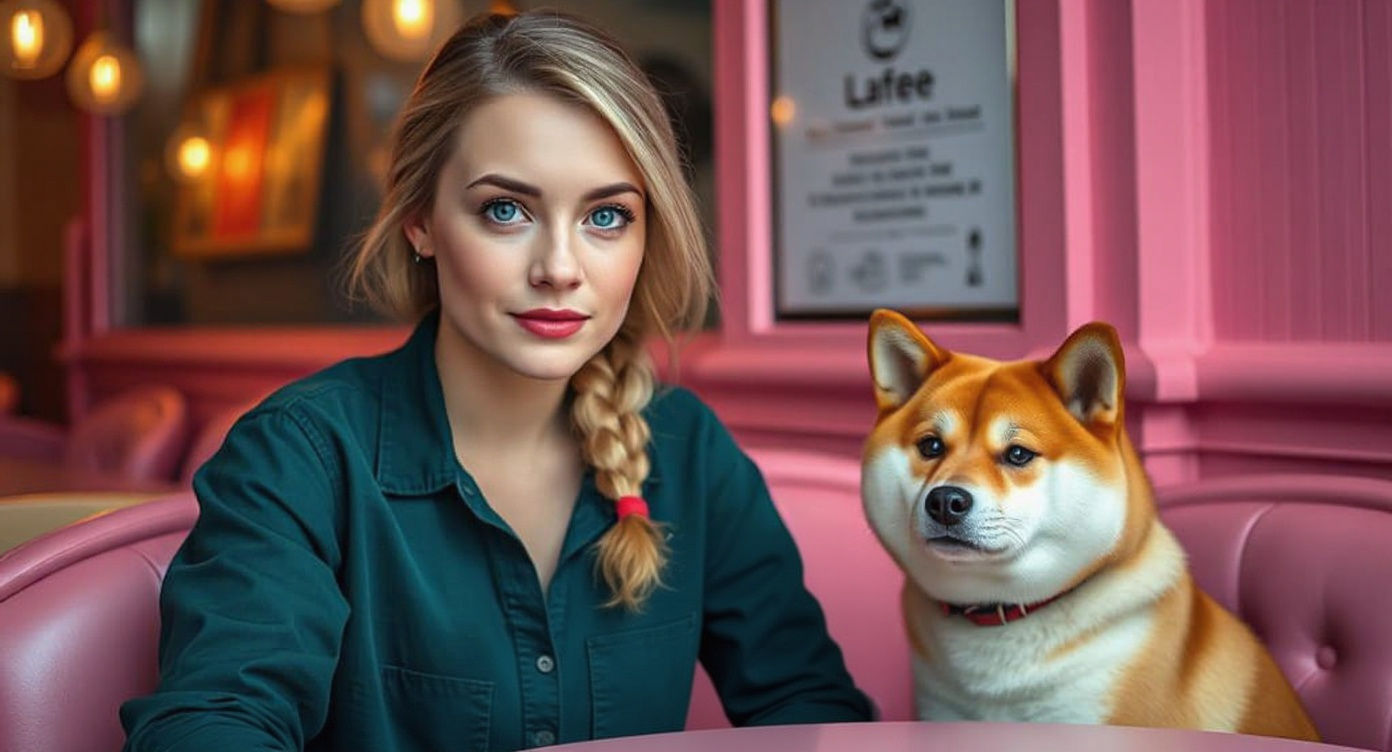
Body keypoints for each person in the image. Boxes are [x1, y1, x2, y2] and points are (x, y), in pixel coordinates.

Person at [120, 10, 872, 752]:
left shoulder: (692, 454)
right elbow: (214, 719)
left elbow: (808, 710)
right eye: (506, 210)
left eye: (607, 216)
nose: (560, 268)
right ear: (420, 218)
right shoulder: (299, 458)